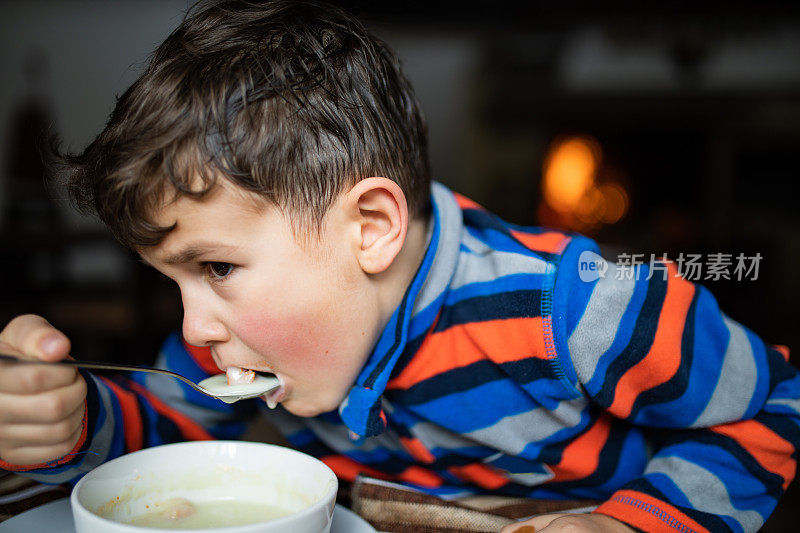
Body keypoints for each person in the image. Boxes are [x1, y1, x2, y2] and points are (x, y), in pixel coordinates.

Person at [0, 2, 797, 531]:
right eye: (169, 279)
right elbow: (168, 434)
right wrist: (69, 420)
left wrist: (632, 521)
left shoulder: (582, 312)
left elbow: (779, 406)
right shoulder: (235, 347)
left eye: (215, 266)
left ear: (371, 226)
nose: (194, 326)